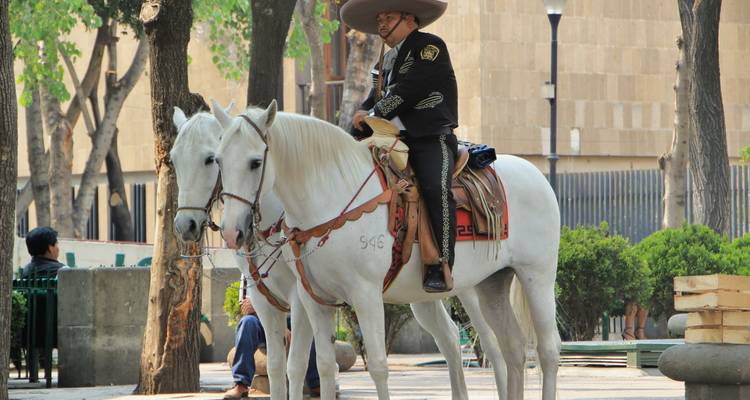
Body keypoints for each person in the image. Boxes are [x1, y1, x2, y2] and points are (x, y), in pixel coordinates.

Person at [341, 0, 458, 292]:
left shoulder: (429, 47)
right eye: (379, 18)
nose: (381, 24)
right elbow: (372, 99)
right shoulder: (383, 62)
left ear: (410, 19)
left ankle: (440, 263)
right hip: (390, 139)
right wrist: (358, 122)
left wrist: (372, 114)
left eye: (388, 17)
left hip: (430, 137)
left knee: (434, 188)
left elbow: (410, 89)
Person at [223, 297, 320, 399]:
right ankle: (241, 385)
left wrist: (259, 304)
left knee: (307, 326)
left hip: (292, 318)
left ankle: (316, 383)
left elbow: (299, 300)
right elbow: (246, 308)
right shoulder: (248, 281)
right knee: (247, 322)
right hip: (262, 319)